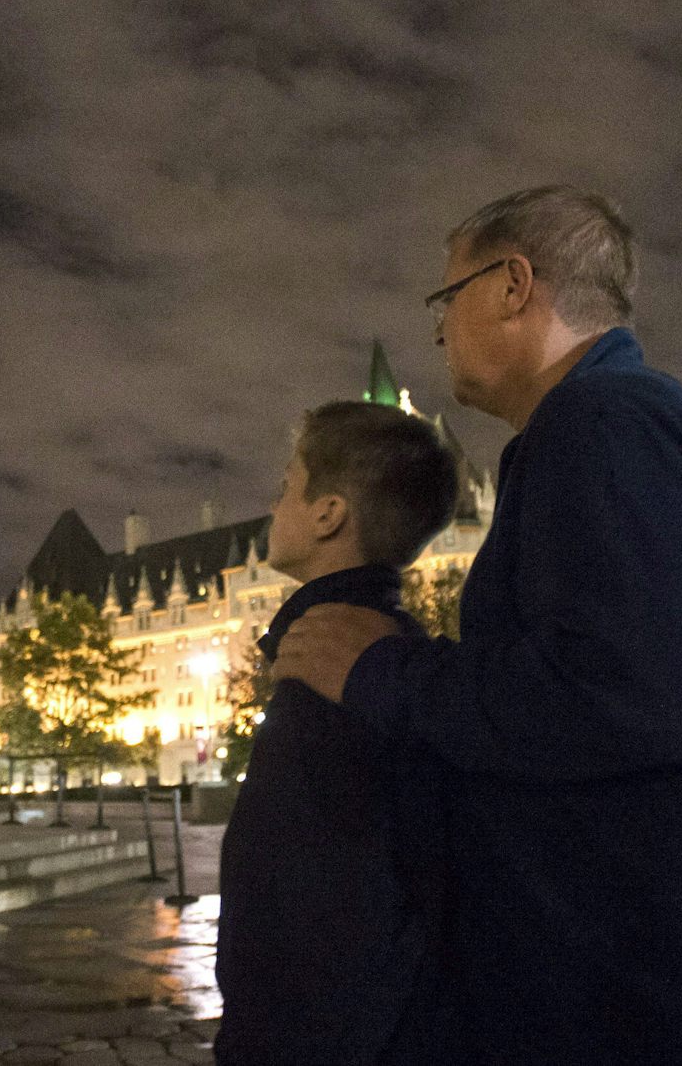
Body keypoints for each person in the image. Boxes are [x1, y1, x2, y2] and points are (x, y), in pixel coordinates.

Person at [272, 186, 682, 1062]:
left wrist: (384, 669)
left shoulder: (604, 422)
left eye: (446, 297)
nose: (437, 330)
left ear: (512, 285)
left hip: (677, 1001)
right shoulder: (611, 424)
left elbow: (622, 694)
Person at [215, 400, 463, 1065]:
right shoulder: (392, 658)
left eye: (286, 486)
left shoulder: (329, 665)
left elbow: (308, 916)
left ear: (328, 513)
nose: (273, 505)